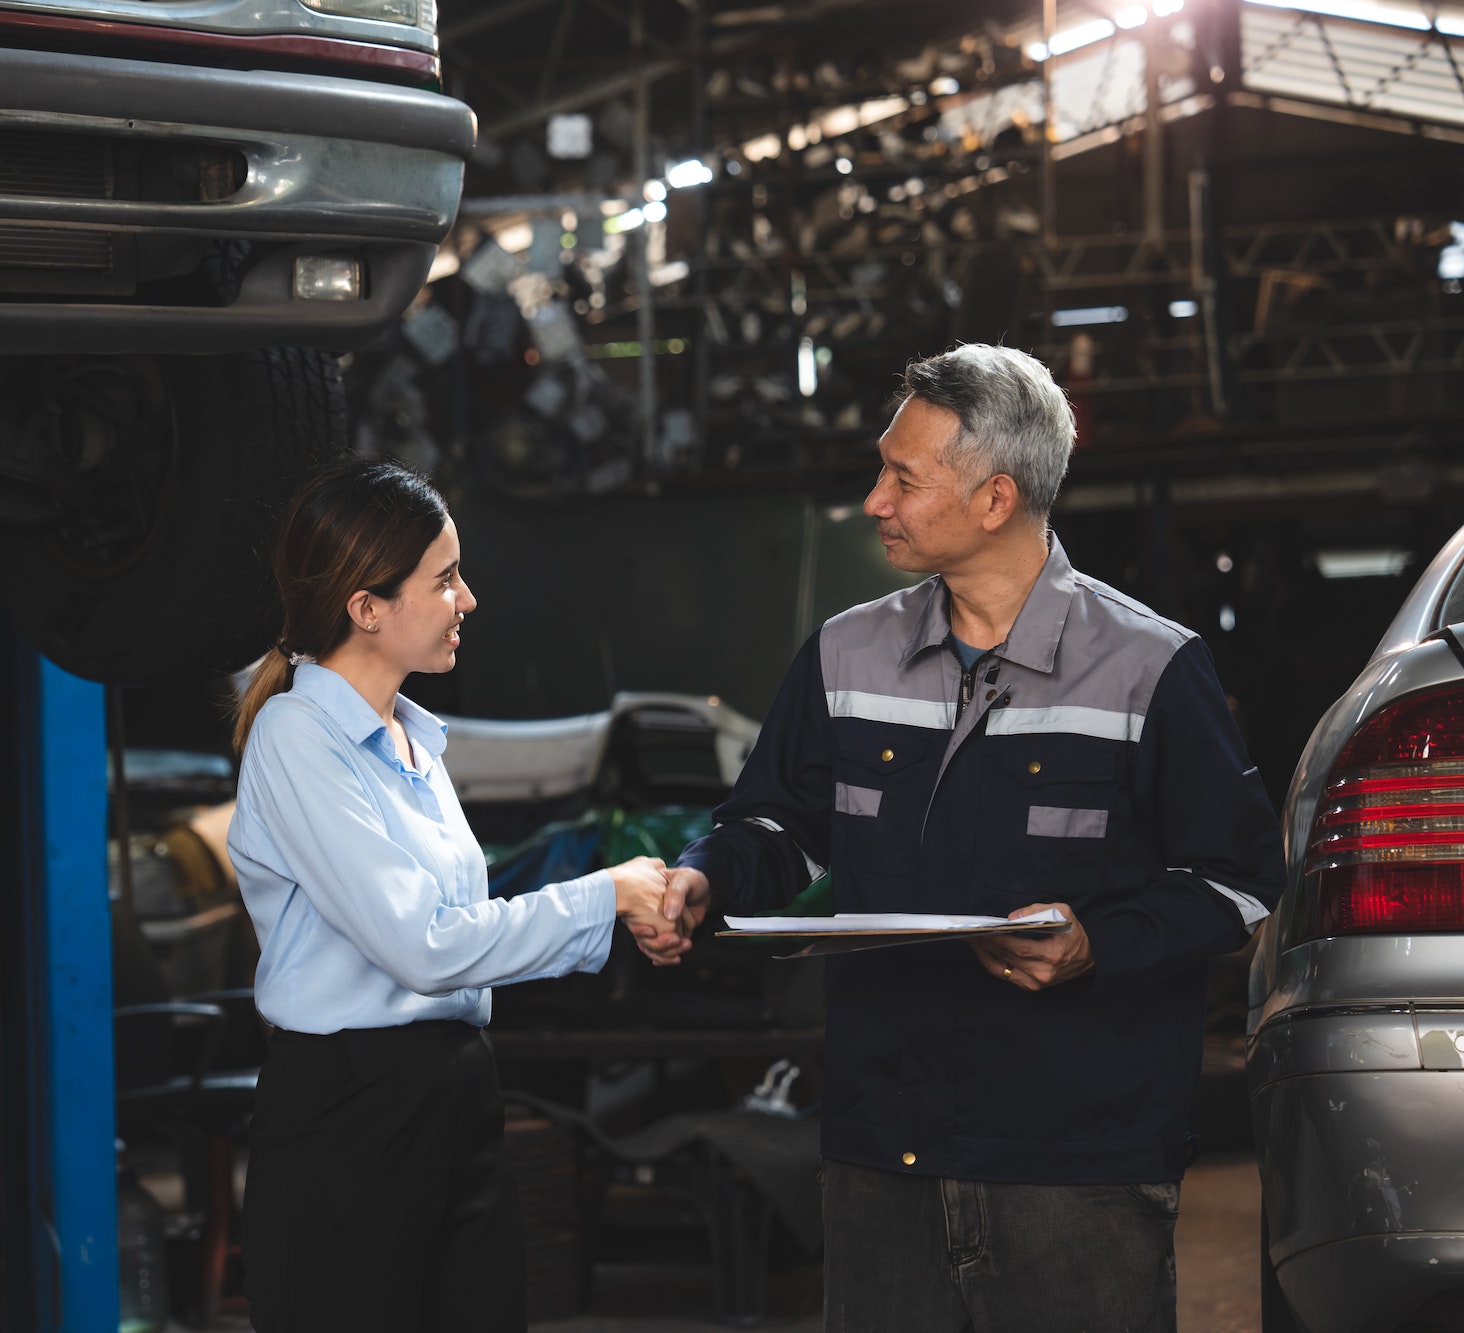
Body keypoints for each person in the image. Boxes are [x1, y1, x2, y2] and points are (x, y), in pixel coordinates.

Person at [644, 344, 1285, 1332]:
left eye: (902, 478)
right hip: (878, 1151)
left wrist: (1092, 945)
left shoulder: (1148, 669)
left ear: (994, 499)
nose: (873, 501)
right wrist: (702, 878)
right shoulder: (842, 654)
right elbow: (778, 826)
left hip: (1074, 1166)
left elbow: (1236, 880)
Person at [228, 458, 674, 1333]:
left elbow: (462, 926)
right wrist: (602, 897)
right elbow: (424, 944)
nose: (466, 599)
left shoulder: (413, 743)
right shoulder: (296, 737)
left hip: (453, 1091)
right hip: (350, 1110)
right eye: (444, 579)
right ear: (367, 607)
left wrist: (621, 906)